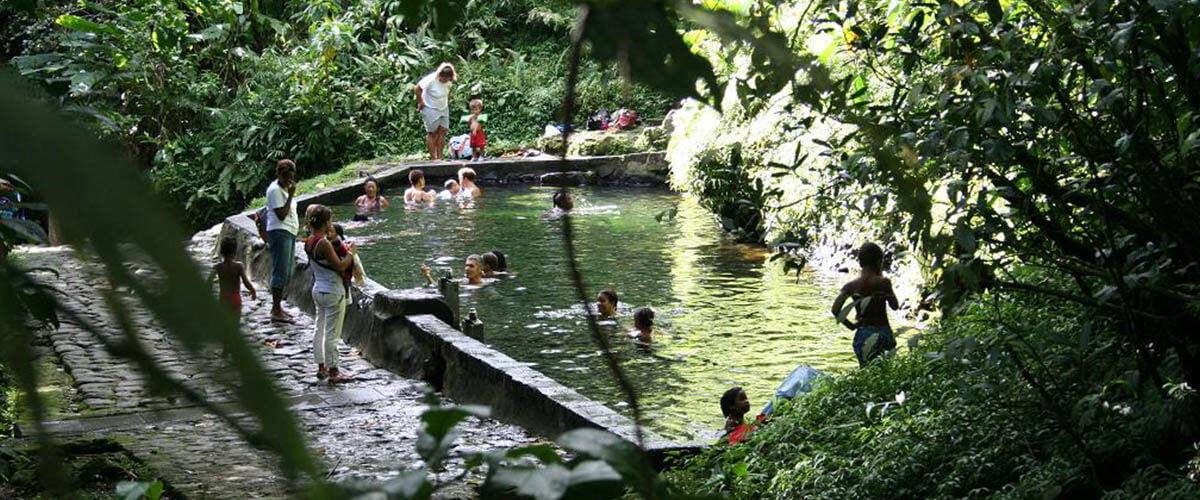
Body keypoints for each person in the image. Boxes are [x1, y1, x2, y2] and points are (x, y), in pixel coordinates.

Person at [304, 204, 357, 382]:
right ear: (326, 222)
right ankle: (334, 370)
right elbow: (340, 266)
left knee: (319, 329)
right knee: (332, 333)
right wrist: (351, 253)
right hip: (333, 291)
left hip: (318, 289)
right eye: (330, 220)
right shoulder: (323, 243)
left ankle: (321, 367)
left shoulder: (310, 241)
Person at [830, 242, 899, 366]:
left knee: (866, 372)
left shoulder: (851, 286)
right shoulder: (884, 282)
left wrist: (851, 326)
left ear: (860, 262)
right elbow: (895, 306)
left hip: (863, 333)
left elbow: (835, 310)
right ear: (879, 261)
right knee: (886, 371)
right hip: (883, 332)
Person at [265, 159, 299, 324]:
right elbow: (282, 214)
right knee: (280, 271)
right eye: (285, 177)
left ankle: (278, 307)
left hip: (289, 232)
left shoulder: (285, 188)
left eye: (290, 177)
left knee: (286, 272)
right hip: (279, 232)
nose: (288, 181)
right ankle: (276, 310)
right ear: (278, 174)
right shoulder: (274, 191)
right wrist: (291, 195)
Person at [415, 62, 457, 160]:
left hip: (443, 107)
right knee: (432, 133)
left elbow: (447, 92)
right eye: (443, 78)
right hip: (430, 107)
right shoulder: (431, 79)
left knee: (443, 131)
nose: (444, 80)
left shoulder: (450, 81)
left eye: (447, 78)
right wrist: (421, 102)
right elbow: (417, 88)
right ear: (439, 75)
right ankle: (433, 158)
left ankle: (440, 157)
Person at [211, 237, 256, 315]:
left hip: (223, 299)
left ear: (221, 252)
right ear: (234, 252)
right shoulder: (239, 266)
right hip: (235, 298)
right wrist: (253, 290)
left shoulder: (217, 267)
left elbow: (209, 283)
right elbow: (246, 282)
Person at [420, 254, 486, 286]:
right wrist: (427, 276)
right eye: (466, 266)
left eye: (471, 266)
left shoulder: (485, 287)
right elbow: (438, 286)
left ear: (480, 269)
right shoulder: (462, 282)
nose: (467, 269)